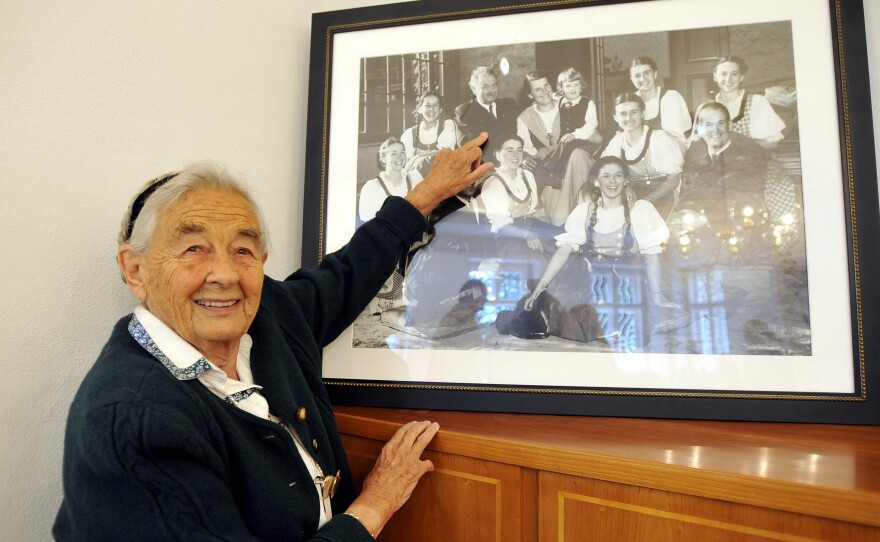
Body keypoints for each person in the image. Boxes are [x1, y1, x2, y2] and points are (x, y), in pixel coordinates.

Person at [53, 134, 493, 541]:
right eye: (193, 249)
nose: (225, 274)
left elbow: (347, 274)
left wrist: (425, 195)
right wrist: (373, 506)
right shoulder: (132, 425)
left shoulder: (269, 316)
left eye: (243, 250)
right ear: (136, 271)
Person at [496, 156, 674, 345]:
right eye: (606, 176)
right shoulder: (585, 211)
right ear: (596, 181)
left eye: (618, 176)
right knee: (557, 314)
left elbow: (652, 255)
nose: (612, 181)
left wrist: (656, 295)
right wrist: (541, 287)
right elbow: (564, 251)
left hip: (626, 288)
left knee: (625, 327)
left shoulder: (641, 209)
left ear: (626, 180)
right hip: (592, 285)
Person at [516, 70, 595, 226]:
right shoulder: (524, 118)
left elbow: (595, 135)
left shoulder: (568, 103)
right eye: (538, 89)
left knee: (578, 155)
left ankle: (585, 216)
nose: (545, 91)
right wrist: (524, 157)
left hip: (579, 167)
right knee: (558, 217)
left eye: (546, 85)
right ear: (530, 95)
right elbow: (524, 149)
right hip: (552, 177)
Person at [600, 93, 683, 220]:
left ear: (642, 114)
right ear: (615, 117)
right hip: (633, 196)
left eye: (634, 112)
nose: (629, 118)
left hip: (662, 195)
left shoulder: (658, 138)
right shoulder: (617, 142)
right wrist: (625, 186)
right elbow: (608, 174)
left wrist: (647, 200)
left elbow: (673, 180)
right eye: (623, 114)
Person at [711, 55, 786, 149]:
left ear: (741, 77)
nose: (728, 79)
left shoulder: (757, 102)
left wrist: (736, 147)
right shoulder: (708, 108)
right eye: (724, 74)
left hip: (752, 160)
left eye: (734, 74)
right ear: (715, 77)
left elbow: (772, 143)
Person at [628, 56, 691, 149]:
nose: (642, 79)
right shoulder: (629, 102)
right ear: (631, 79)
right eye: (637, 75)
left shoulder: (670, 97)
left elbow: (675, 138)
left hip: (669, 152)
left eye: (647, 73)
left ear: (655, 74)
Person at [454, 66, 520, 150]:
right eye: (485, 86)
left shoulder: (509, 105)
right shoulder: (464, 112)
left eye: (494, 85)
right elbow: (469, 147)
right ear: (474, 89)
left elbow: (523, 134)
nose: (492, 90)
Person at [400, 93, 458, 183]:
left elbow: (448, 155)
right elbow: (406, 166)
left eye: (435, 105)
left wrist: (418, 157)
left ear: (440, 110)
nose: (431, 109)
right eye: (427, 105)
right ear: (419, 109)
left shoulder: (448, 128)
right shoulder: (409, 134)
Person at [556, 67, 603, 154]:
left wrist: (575, 135)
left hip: (582, 139)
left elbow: (591, 124)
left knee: (572, 152)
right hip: (562, 140)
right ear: (561, 88)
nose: (573, 89)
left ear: (581, 86)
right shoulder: (558, 101)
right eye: (568, 86)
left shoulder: (588, 103)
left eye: (576, 85)